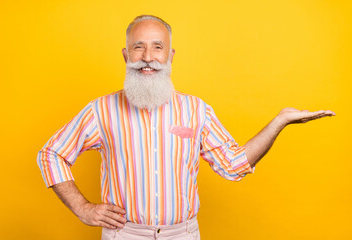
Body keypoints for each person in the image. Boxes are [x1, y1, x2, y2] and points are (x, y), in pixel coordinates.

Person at [37, 15, 335, 240]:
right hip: (124, 236)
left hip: (183, 235)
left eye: (158, 47)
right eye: (138, 48)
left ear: (170, 56)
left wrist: (279, 121)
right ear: (126, 55)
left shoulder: (197, 111)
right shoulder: (101, 110)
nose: (148, 57)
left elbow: (234, 166)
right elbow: (51, 154)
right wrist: (83, 208)